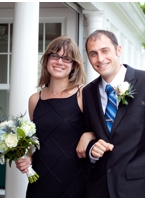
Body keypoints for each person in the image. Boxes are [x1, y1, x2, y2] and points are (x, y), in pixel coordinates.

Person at [81, 29, 145, 197]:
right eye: (93, 53)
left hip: (140, 190)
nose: (100, 59)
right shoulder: (88, 92)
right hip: (99, 190)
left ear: (118, 50)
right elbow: (90, 133)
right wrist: (90, 147)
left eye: (105, 50)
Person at [15, 37, 94, 196]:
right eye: (55, 56)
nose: (60, 62)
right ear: (46, 60)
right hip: (40, 182)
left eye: (66, 58)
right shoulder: (34, 100)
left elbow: (103, 130)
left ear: (73, 66)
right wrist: (28, 158)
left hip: (76, 181)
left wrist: (89, 134)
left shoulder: (83, 94)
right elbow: (36, 141)